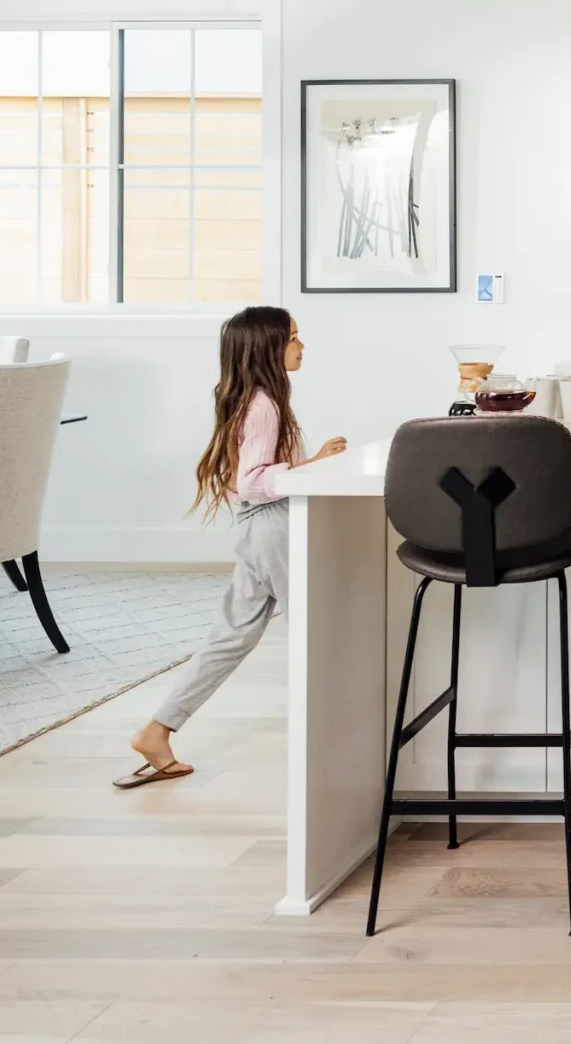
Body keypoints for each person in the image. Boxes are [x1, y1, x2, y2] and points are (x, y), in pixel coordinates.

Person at [118, 307, 345, 789]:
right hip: (271, 528)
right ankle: (334, 742)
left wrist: (313, 463)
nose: (302, 348)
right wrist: (311, 471)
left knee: (230, 638)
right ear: (268, 347)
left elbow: (249, 475)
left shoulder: (246, 399)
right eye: (294, 339)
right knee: (321, 627)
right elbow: (254, 481)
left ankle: (156, 730)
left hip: (254, 529)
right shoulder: (265, 404)